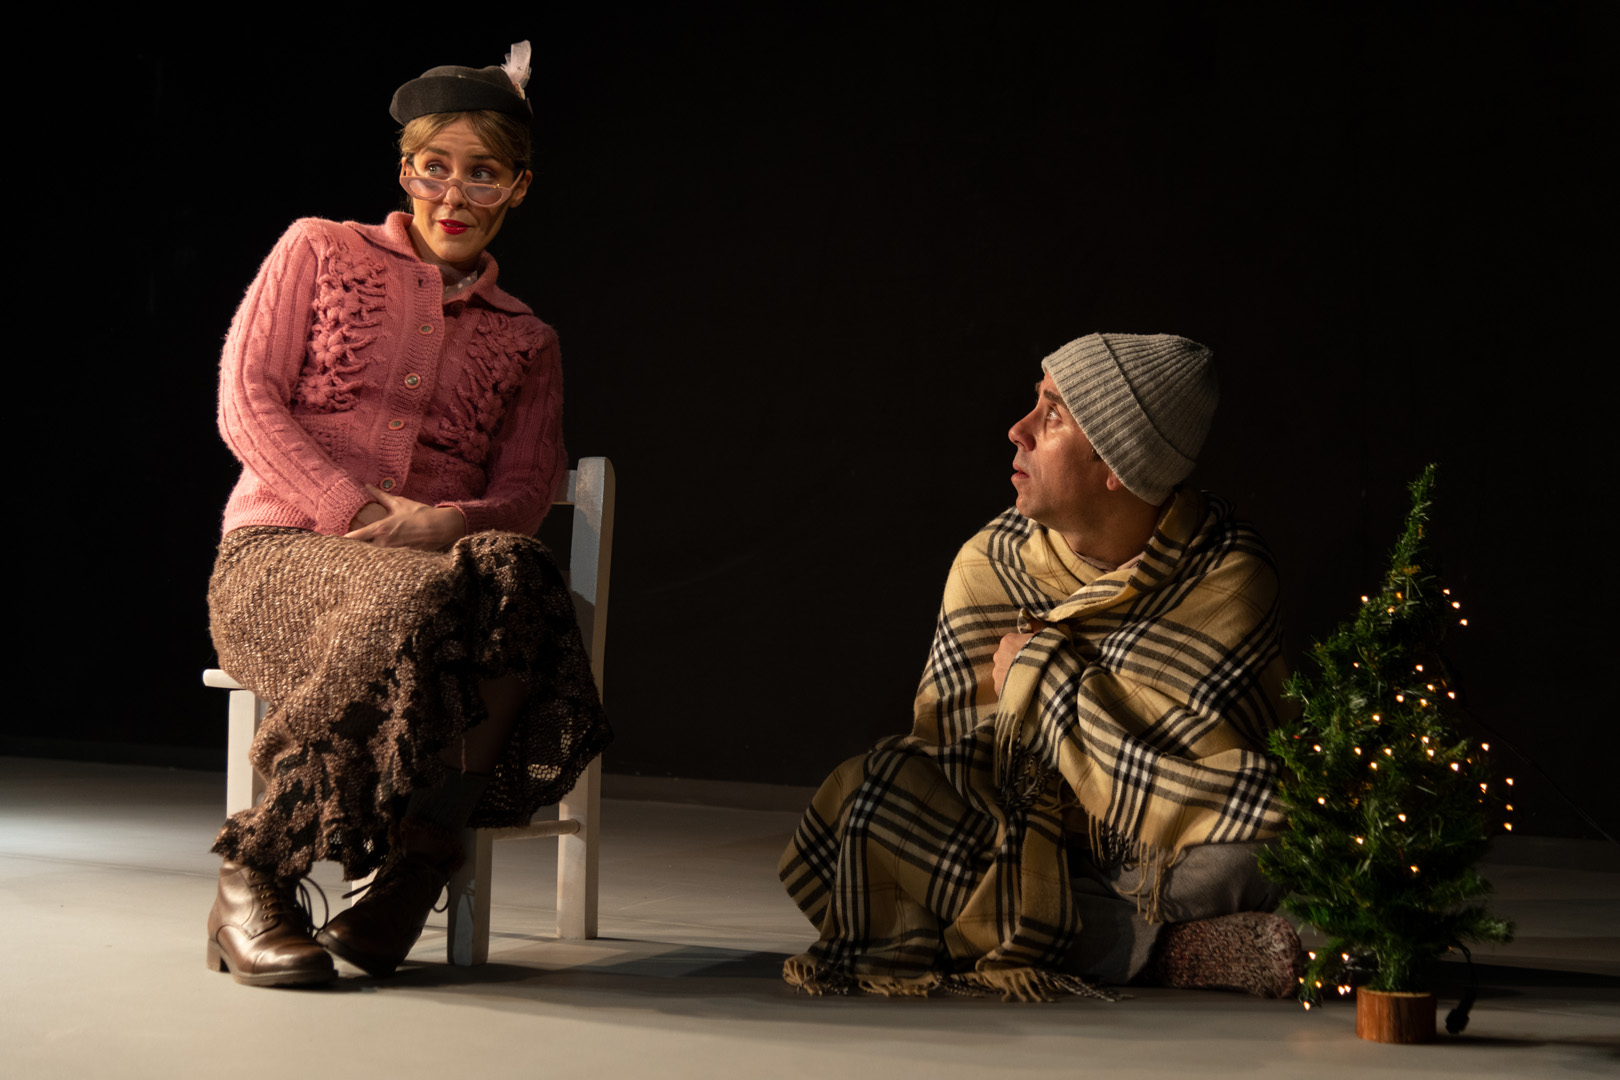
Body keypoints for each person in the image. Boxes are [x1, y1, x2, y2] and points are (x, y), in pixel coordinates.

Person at [205, 43, 611, 988]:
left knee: (514, 576)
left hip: (434, 579)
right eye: (435, 167)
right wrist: (349, 504)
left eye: (484, 173)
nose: (454, 194)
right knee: (437, 599)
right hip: (280, 555)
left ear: (519, 188)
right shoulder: (318, 248)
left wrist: (446, 523)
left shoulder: (527, 338)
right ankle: (254, 872)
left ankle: (410, 872)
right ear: (405, 171)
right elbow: (245, 400)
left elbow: (525, 489)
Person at [779, 332, 1301, 1001]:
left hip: (1151, 849)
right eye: (1036, 403)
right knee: (870, 803)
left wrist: (1040, 674)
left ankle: (1065, 935)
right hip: (1020, 842)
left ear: (1117, 465)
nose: (1018, 430)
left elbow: (1209, 782)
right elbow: (950, 755)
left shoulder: (1227, 569)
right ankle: (1169, 952)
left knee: (1262, 852)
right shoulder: (991, 562)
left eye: (1052, 415)